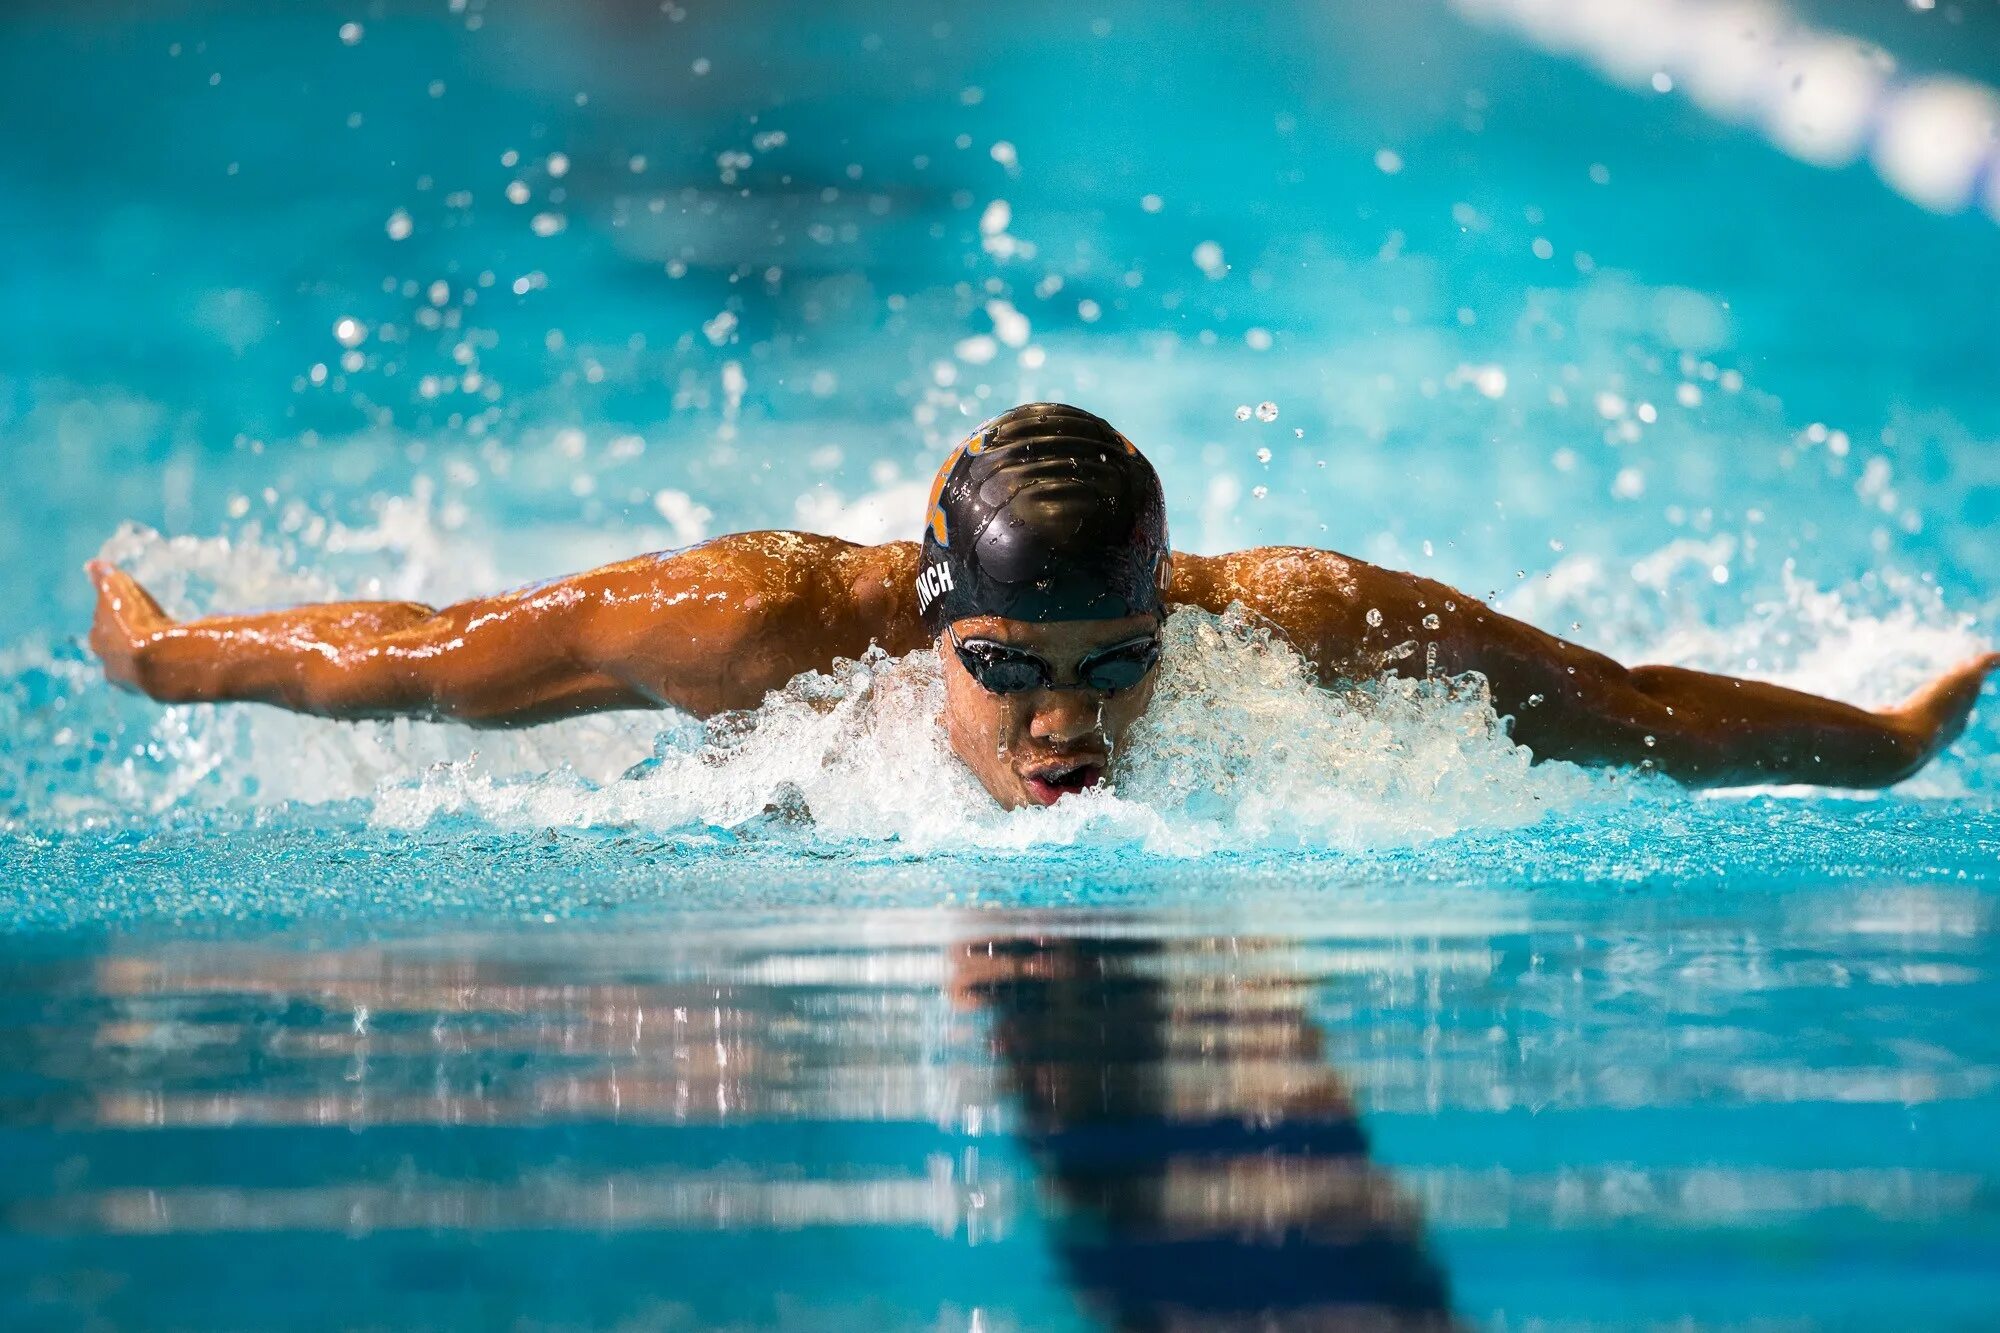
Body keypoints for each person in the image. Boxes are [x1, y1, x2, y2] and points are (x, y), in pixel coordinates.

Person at [88, 402, 1996, 808]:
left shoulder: (1300, 624)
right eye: (1009, 672)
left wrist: (1892, 740)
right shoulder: (760, 628)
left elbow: (1628, 704)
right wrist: (173, 655)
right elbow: (423, 653)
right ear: (931, 635)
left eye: (1116, 668)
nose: (1070, 725)